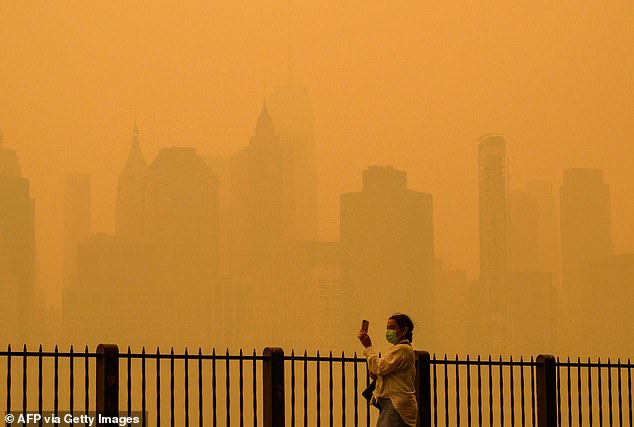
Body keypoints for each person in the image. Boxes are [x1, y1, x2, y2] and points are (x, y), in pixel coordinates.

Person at [358, 314, 417, 427]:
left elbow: (379, 367)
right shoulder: (397, 349)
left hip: (396, 405)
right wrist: (378, 374)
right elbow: (385, 370)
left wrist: (368, 347)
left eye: (392, 327)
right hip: (391, 404)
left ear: (404, 330)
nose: (388, 331)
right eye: (388, 327)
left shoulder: (403, 349)